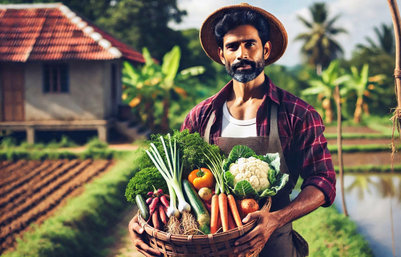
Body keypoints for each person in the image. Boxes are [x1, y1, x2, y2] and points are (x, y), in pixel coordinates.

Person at [128, 3, 336, 257]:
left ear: (265, 50)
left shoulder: (297, 113)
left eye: (250, 44)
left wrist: (277, 219)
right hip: (209, 247)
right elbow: (173, 182)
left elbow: (323, 180)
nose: (241, 54)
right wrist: (143, 221)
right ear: (221, 54)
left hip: (273, 245)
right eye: (232, 46)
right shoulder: (201, 115)